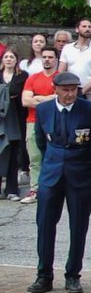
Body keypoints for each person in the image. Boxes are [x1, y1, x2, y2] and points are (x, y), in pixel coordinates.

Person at [27, 72, 91, 293]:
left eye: (73, 90)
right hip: (51, 174)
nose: (70, 94)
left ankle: (73, 275)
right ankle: (44, 275)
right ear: (55, 89)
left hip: (80, 174)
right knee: (45, 224)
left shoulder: (89, 109)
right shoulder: (44, 109)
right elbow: (40, 140)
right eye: (65, 89)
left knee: (78, 226)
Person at [20, 46, 59, 203]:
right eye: (44, 57)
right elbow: (25, 101)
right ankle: (35, 189)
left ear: (56, 59)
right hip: (32, 121)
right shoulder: (33, 78)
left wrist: (37, 98)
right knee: (35, 158)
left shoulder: (60, 78)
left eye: (50, 57)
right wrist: (49, 98)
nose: (47, 60)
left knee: (53, 157)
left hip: (54, 122)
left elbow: (60, 99)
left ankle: (53, 190)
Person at [0, 48, 28, 200]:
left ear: (16, 60)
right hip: (0, 119)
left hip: (15, 118)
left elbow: (19, 94)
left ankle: (12, 189)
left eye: (12, 57)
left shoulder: (22, 76)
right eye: (6, 57)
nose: (9, 59)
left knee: (12, 153)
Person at [58, 19, 91, 99]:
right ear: (77, 29)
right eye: (84, 26)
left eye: (89, 27)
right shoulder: (67, 48)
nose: (87, 29)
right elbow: (61, 72)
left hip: (90, 94)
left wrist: (82, 92)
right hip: (70, 92)